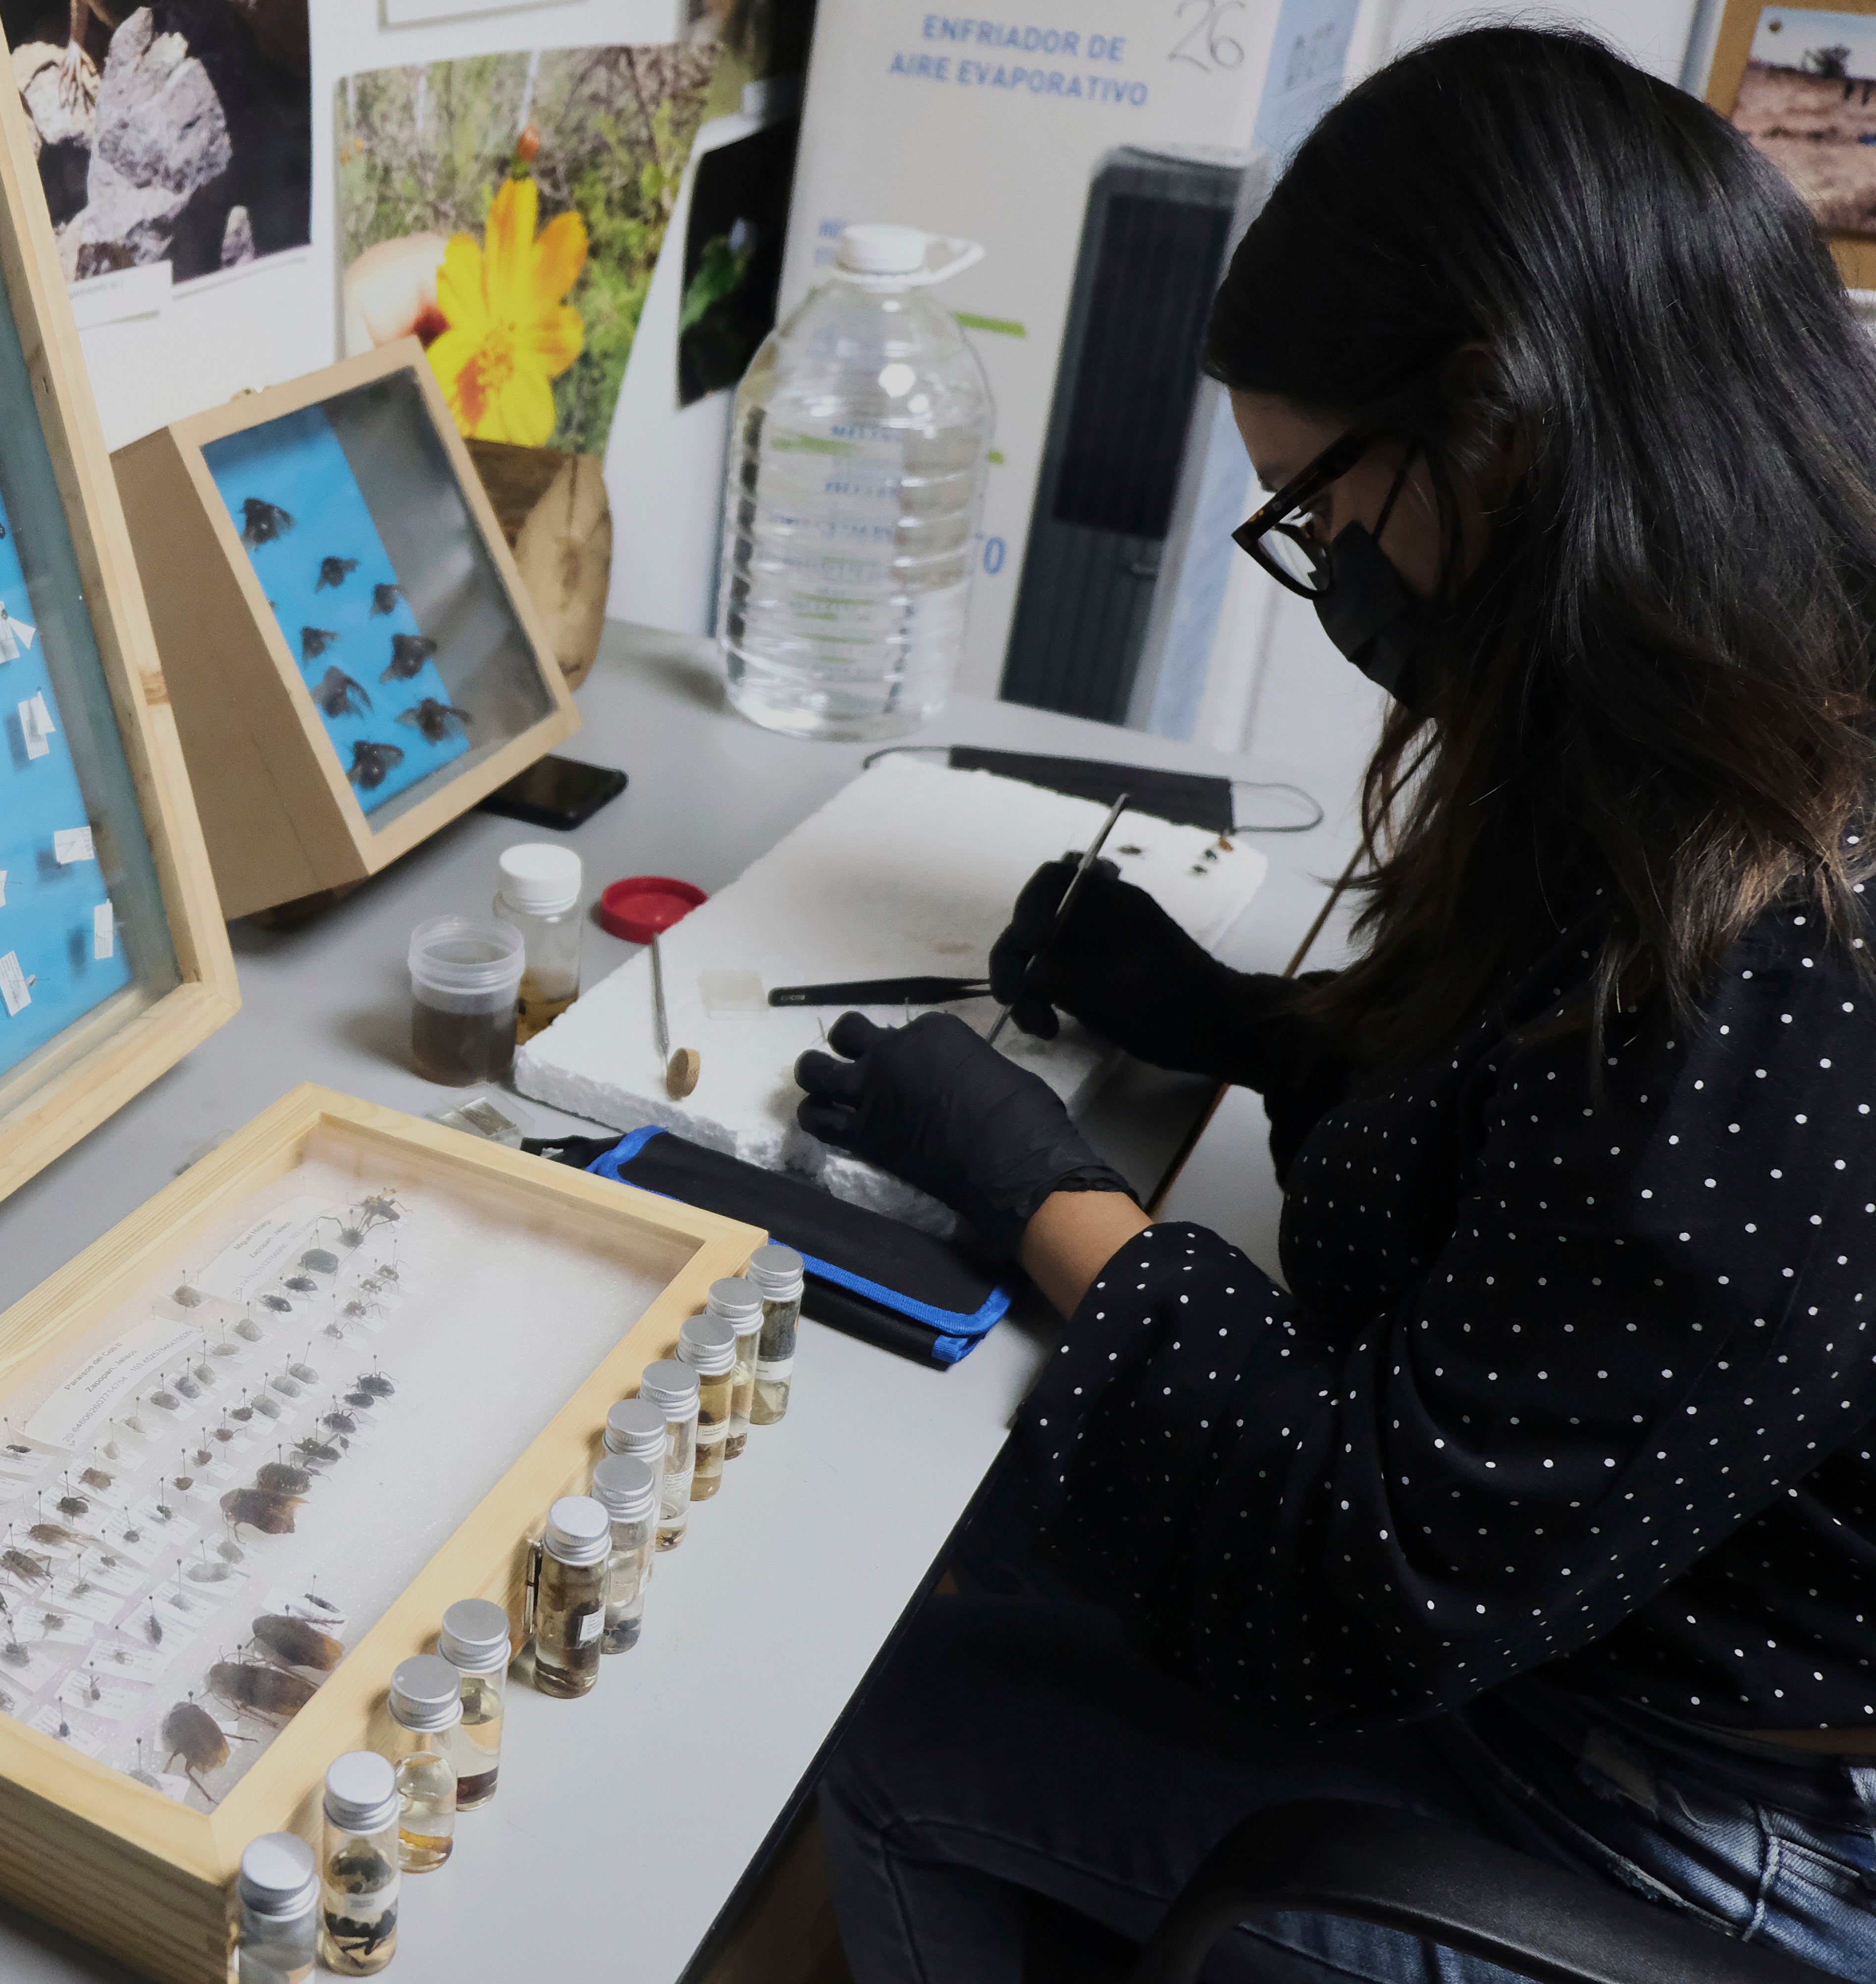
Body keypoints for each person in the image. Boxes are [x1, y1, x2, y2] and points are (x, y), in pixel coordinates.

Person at [793, 26, 1876, 1984]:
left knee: (890, 1722)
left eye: (1317, 507)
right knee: (977, 1514)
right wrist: (1250, 1031)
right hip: (1592, 1614)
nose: (1327, 577)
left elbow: (1354, 1571)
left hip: (1687, 1797)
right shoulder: (1724, 713)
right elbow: (1543, 1192)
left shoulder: (1785, 968)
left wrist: (1045, 1188)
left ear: (1499, 428)